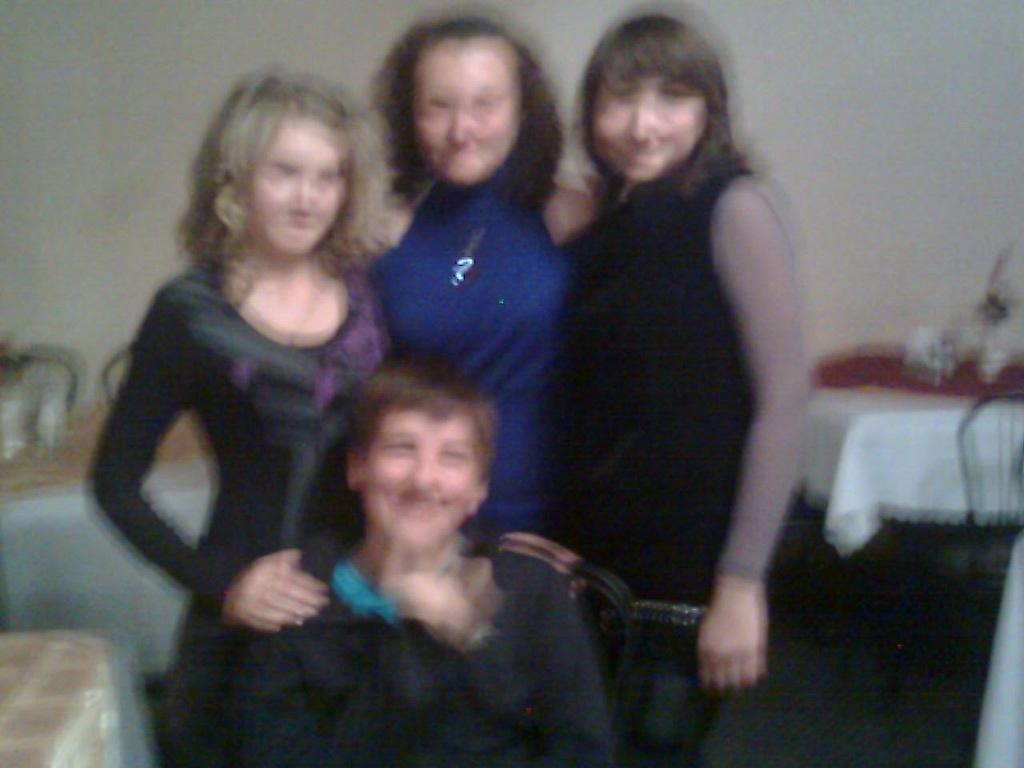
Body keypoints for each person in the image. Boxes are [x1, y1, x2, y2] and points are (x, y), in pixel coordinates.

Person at [91, 71, 389, 767]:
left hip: (362, 612)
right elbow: (114, 483)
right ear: (236, 177)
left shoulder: (366, 288)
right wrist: (220, 583)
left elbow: (467, 280)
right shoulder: (189, 312)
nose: (309, 197)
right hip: (249, 626)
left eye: (329, 176)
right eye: (285, 172)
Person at [558, 9, 808, 764]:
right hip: (597, 565)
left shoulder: (734, 206)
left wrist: (742, 584)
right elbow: (470, 268)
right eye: (620, 99)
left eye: (672, 97)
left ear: (710, 109)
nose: (643, 125)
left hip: (686, 579)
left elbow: (784, 401)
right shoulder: (605, 220)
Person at [234, 356, 613, 767]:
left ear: (479, 489)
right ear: (358, 467)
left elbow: (582, 749)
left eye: (452, 457)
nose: (423, 479)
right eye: (401, 449)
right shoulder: (295, 592)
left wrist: (471, 637)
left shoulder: (533, 589)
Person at [371, 12, 584, 535]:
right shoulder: (383, 233)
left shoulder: (573, 216)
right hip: (425, 523)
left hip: (561, 525)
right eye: (438, 107)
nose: (460, 131)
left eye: (485, 105)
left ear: (522, 110)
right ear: (409, 114)